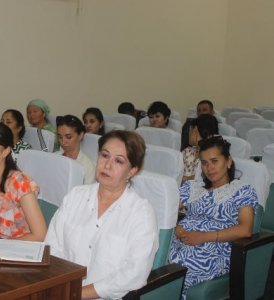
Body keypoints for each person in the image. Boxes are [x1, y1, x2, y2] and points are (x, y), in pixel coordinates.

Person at [45, 130, 159, 299]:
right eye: (105, 156)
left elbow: (134, 273)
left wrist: (77, 294)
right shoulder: (76, 195)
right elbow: (52, 246)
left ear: (132, 171)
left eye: (119, 161)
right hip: (63, 291)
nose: (107, 165)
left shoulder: (141, 213)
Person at [169, 136, 258, 299]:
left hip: (216, 248)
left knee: (180, 265)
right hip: (182, 239)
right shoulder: (192, 187)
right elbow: (167, 212)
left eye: (214, 161)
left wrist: (203, 237)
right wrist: (175, 228)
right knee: (153, 254)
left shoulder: (242, 190)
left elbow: (246, 229)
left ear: (229, 161)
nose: (209, 168)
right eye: (204, 163)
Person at [56, 115, 96, 184]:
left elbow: (86, 193)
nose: (63, 141)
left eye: (68, 137)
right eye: (60, 137)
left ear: (80, 135)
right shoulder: (54, 157)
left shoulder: (87, 166)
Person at [182, 114, 219, 182]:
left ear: (195, 129)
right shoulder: (188, 151)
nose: (188, 133)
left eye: (190, 129)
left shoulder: (213, 156)